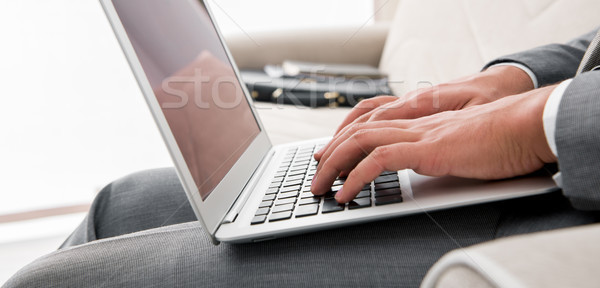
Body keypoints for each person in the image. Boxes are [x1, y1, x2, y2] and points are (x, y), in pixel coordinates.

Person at [5, 29, 600, 288]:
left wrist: (542, 122)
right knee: (122, 201)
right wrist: (515, 80)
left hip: (574, 214)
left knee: (51, 283)